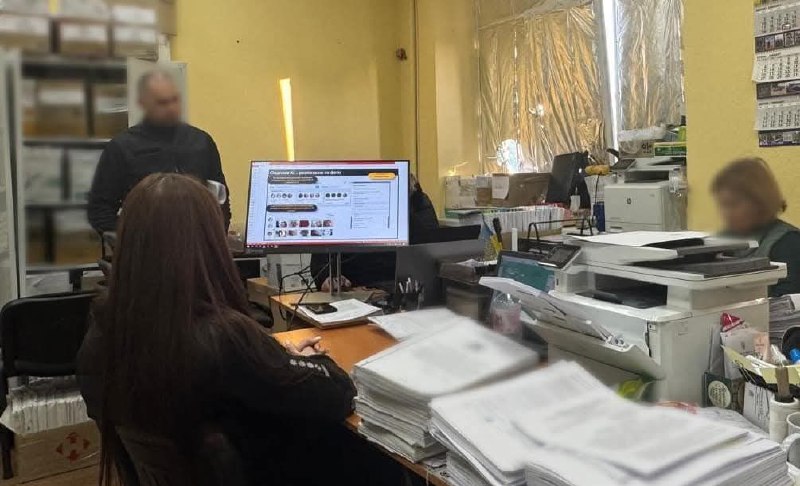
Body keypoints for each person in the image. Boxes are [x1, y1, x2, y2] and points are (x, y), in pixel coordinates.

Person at [77, 174, 403, 486]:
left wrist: (276, 360)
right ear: (208, 244)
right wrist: (302, 362)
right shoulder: (223, 340)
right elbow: (338, 393)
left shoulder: (102, 336)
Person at [87, 70, 231, 233]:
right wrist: (133, 239)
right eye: (162, 103)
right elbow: (100, 210)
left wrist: (217, 236)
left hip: (199, 242)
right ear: (143, 103)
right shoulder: (122, 147)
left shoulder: (201, 142)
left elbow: (221, 198)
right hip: (145, 243)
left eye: (175, 100)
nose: (171, 108)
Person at [310, 173, 439, 291]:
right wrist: (326, 279)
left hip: (398, 287)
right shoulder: (344, 211)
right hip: (352, 289)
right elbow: (320, 263)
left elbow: (429, 253)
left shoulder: (415, 210)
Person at [712, 157, 800, 296]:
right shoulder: (722, 239)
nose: (726, 213)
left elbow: (786, 302)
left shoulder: (787, 243)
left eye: (733, 204)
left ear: (760, 202)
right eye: (723, 205)